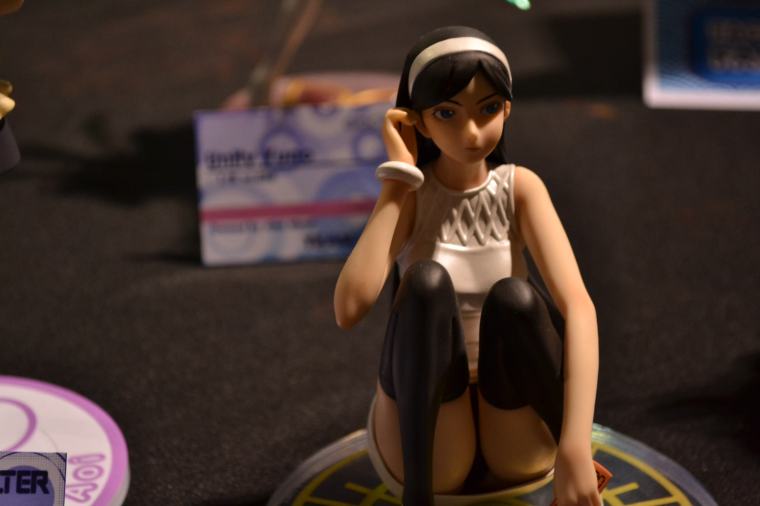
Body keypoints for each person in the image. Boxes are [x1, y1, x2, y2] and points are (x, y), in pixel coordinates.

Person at [334, 26, 601, 506]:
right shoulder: (413, 196)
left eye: (488, 109)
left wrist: (576, 442)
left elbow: (579, 307)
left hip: (511, 404)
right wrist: (398, 181)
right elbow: (349, 308)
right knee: (425, 284)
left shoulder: (520, 189)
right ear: (416, 121)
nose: (472, 132)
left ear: (507, 109)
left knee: (516, 298)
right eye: (447, 113)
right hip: (430, 413)